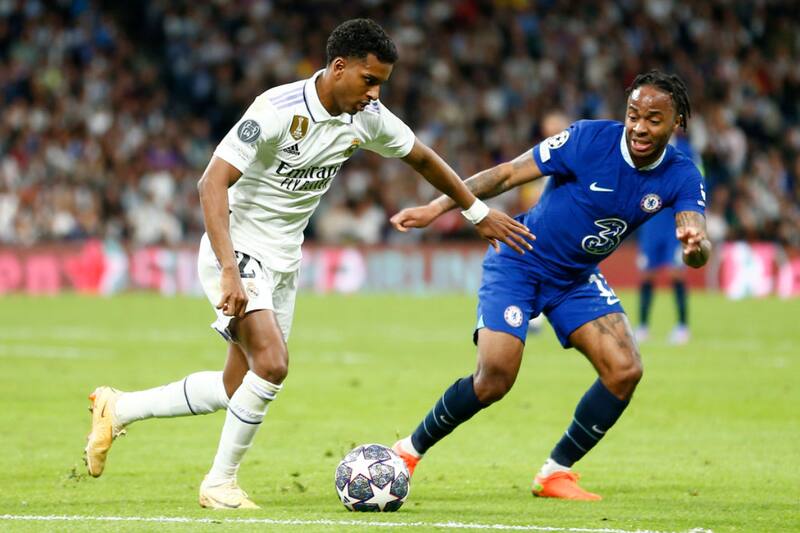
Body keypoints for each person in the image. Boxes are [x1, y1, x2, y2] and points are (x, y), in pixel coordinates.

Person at [83, 18, 532, 510]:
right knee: (273, 365)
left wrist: (476, 211)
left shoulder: (368, 116)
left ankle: (120, 407)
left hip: (283, 258)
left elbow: (423, 159)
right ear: (339, 68)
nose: (375, 93)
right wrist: (230, 271)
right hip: (236, 248)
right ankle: (219, 483)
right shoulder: (276, 110)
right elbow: (210, 183)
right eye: (369, 79)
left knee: (238, 386)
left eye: (382, 82)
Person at [390, 70, 711, 501]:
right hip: (520, 259)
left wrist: (695, 250)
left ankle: (555, 473)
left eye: (654, 119)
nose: (639, 126)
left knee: (624, 371)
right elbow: (505, 174)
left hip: (576, 279)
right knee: (495, 378)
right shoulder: (587, 140)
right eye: (634, 114)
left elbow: (696, 234)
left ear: (677, 124)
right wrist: (437, 207)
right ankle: (407, 452)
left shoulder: (683, 175)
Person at [635, 131, 703, 345]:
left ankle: (683, 326)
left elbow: (699, 180)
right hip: (650, 222)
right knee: (647, 274)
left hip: (674, 221)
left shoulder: (686, 150)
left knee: (676, 273)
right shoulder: (643, 146)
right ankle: (643, 326)